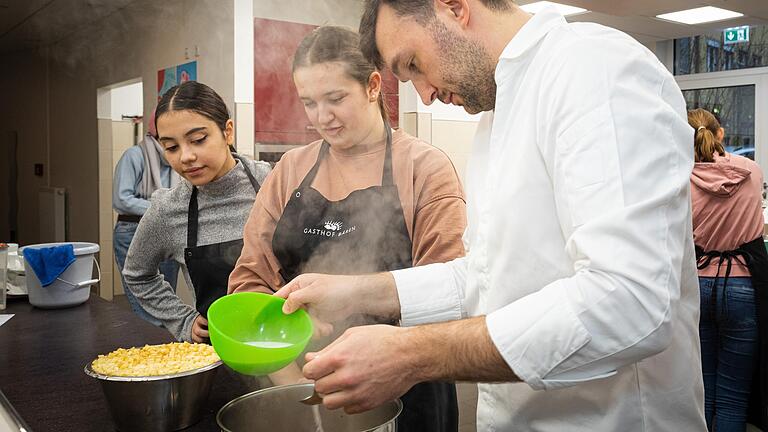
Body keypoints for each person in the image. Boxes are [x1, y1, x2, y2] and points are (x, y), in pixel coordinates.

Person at [274, 1, 708, 431]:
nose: (424, 95)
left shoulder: (595, 70)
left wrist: (410, 354)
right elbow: (484, 276)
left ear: (453, 8)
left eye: (414, 64)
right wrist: (358, 292)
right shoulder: (498, 111)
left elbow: (628, 302)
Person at [228, 26, 466, 432]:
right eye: (309, 103)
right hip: (307, 385)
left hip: (409, 394)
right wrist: (294, 383)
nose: (323, 118)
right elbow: (250, 283)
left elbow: (450, 293)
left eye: (335, 99)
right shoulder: (290, 171)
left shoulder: (425, 169)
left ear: (373, 86)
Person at [122, 81, 271, 342]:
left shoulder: (274, 182)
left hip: (292, 344)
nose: (186, 156)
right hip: (218, 354)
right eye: (171, 147)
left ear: (228, 132)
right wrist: (182, 320)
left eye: (198, 140)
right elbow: (137, 275)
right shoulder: (168, 209)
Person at [688, 108, 767, 432]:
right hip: (742, 287)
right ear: (720, 134)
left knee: (701, 390)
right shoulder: (752, 171)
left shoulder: (680, 178)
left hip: (696, 287)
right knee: (735, 395)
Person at [112, 109, 180, 326]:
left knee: (166, 302)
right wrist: (161, 207)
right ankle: (151, 352)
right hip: (132, 230)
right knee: (143, 304)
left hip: (169, 231)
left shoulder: (179, 158)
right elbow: (121, 199)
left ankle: (164, 354)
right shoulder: (135, 155)